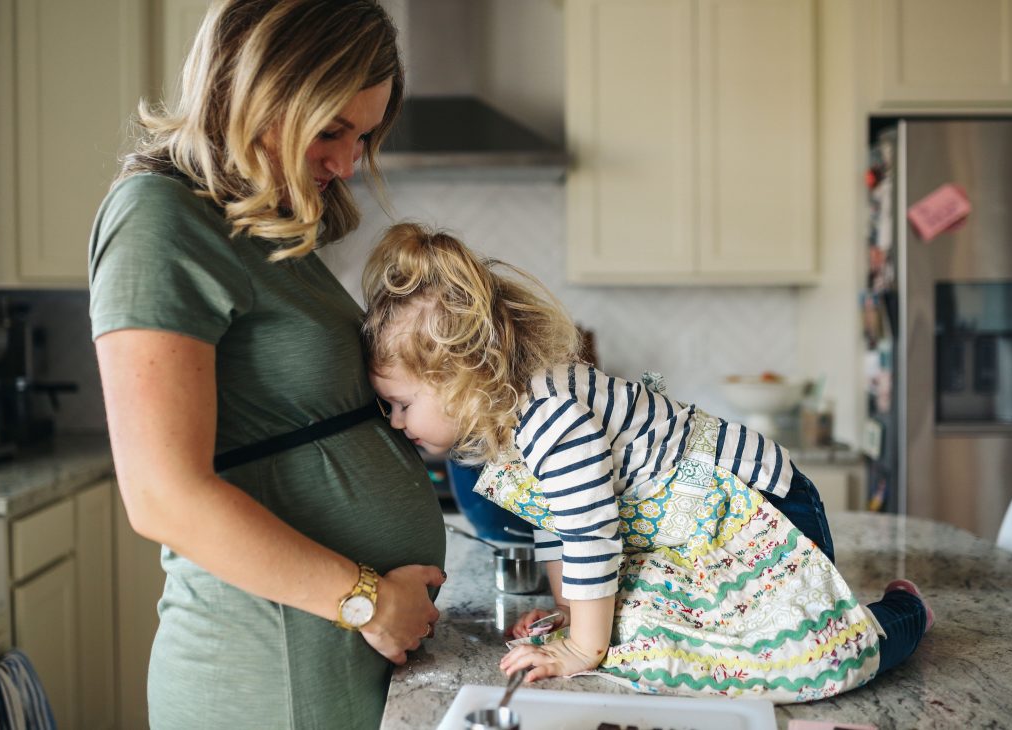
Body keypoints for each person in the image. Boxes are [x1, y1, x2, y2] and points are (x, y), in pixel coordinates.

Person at [361, 222, 933, 703]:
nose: (394, 420)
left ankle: (900, 616)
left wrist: (582, 648)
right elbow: (559, 526)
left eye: (402, 403)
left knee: (805, 658)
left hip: (764, 511)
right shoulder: (513, 420)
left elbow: (591, 536)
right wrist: (568, 615)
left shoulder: (551, 417)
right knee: (645, 638)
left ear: (460, 379)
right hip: (694, 536)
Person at [88, 3, 446, 728]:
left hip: (325, 656)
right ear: (252, 92)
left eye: (364, 135)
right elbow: (161, 495)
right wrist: (367, 599)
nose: (347, 163)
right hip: (266, 671)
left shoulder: (256, 227)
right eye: (331, 130)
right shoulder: (158, 218)